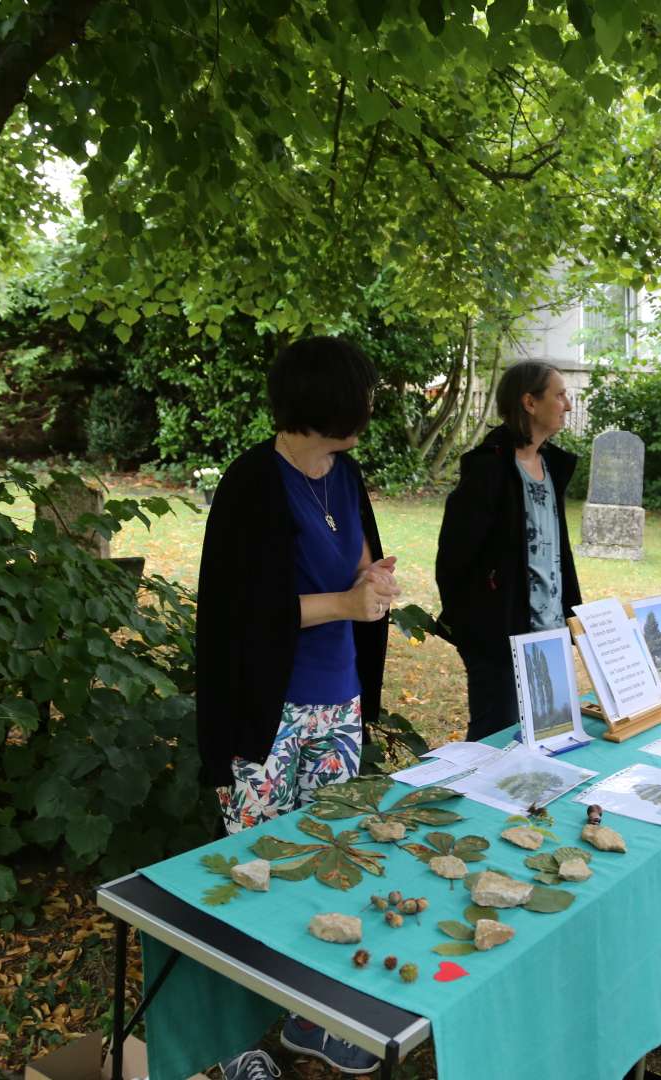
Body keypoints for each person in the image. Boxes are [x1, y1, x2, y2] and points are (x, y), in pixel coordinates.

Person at [196, 337, 398, 1078]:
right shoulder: (253, 483)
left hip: (335, 703)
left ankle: (314, 1018)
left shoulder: (345, 475)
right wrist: (347, 600)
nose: (371, 407)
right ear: (325, 407)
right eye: (362, 396)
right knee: (256, 870)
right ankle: (235, 1043)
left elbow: (356, 564)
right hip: (264, 710)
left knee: (326, 864)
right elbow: (244, 613)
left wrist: (370, 583)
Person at [436, 361, 582, 742]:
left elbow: (557, 553)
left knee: (551, 738)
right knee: (494, 743)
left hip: (550, 634)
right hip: (499, 640)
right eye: (560, 395)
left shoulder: (551, 466)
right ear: (529, 403)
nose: (567, 404)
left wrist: (571, 614)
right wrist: (475, 632)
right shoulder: (489, 470)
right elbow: (453, 558)